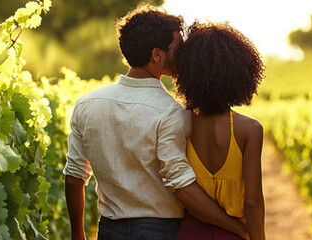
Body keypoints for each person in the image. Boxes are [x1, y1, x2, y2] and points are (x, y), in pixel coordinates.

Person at [63, 5, 249, 240]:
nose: (182, 55)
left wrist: (78, 235)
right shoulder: (171, 113)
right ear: (157, 55)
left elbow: (74, 177)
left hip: (108, 231)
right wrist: (237, 227)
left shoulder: (87, 104)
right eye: (177, 49)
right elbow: (182, 188)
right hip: (160, 232)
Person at [172, 22, 266, 240]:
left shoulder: (180, 123)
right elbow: (253, 202)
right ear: (240, 73)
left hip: (189, 232)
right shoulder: (250, 130)